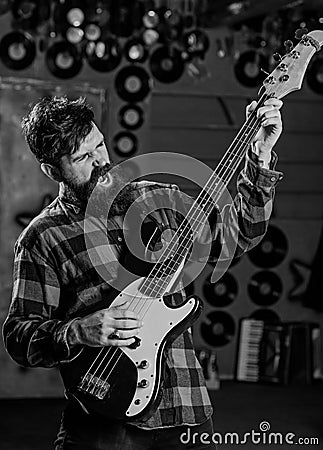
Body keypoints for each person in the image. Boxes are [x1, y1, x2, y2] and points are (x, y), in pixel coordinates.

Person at [2, 95, 283, 450]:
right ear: (52, 170)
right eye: (82, 158)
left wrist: (259, 155)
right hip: (105, 420)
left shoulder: (157, 200)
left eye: (99, 145)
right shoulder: (42, 238)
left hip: (185, 409)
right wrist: (78, 330)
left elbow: (239, 234)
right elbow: (19, 337)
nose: (101, 161)